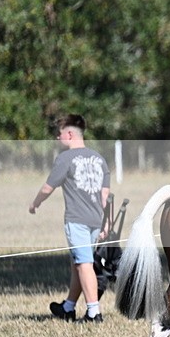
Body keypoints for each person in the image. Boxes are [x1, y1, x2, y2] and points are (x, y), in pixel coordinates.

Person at [29, 114, 111, 322]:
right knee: (78, 262)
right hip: (95, 220)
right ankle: (68, 307)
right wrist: (107, 220)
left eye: (59, 134)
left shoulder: (66, 158)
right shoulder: (99, 158)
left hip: (77, 220)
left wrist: (35, 203)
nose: (58, 138)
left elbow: (49, 187)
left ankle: (94, 312)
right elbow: (105, 195)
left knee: (84, 264)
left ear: (70, 133)